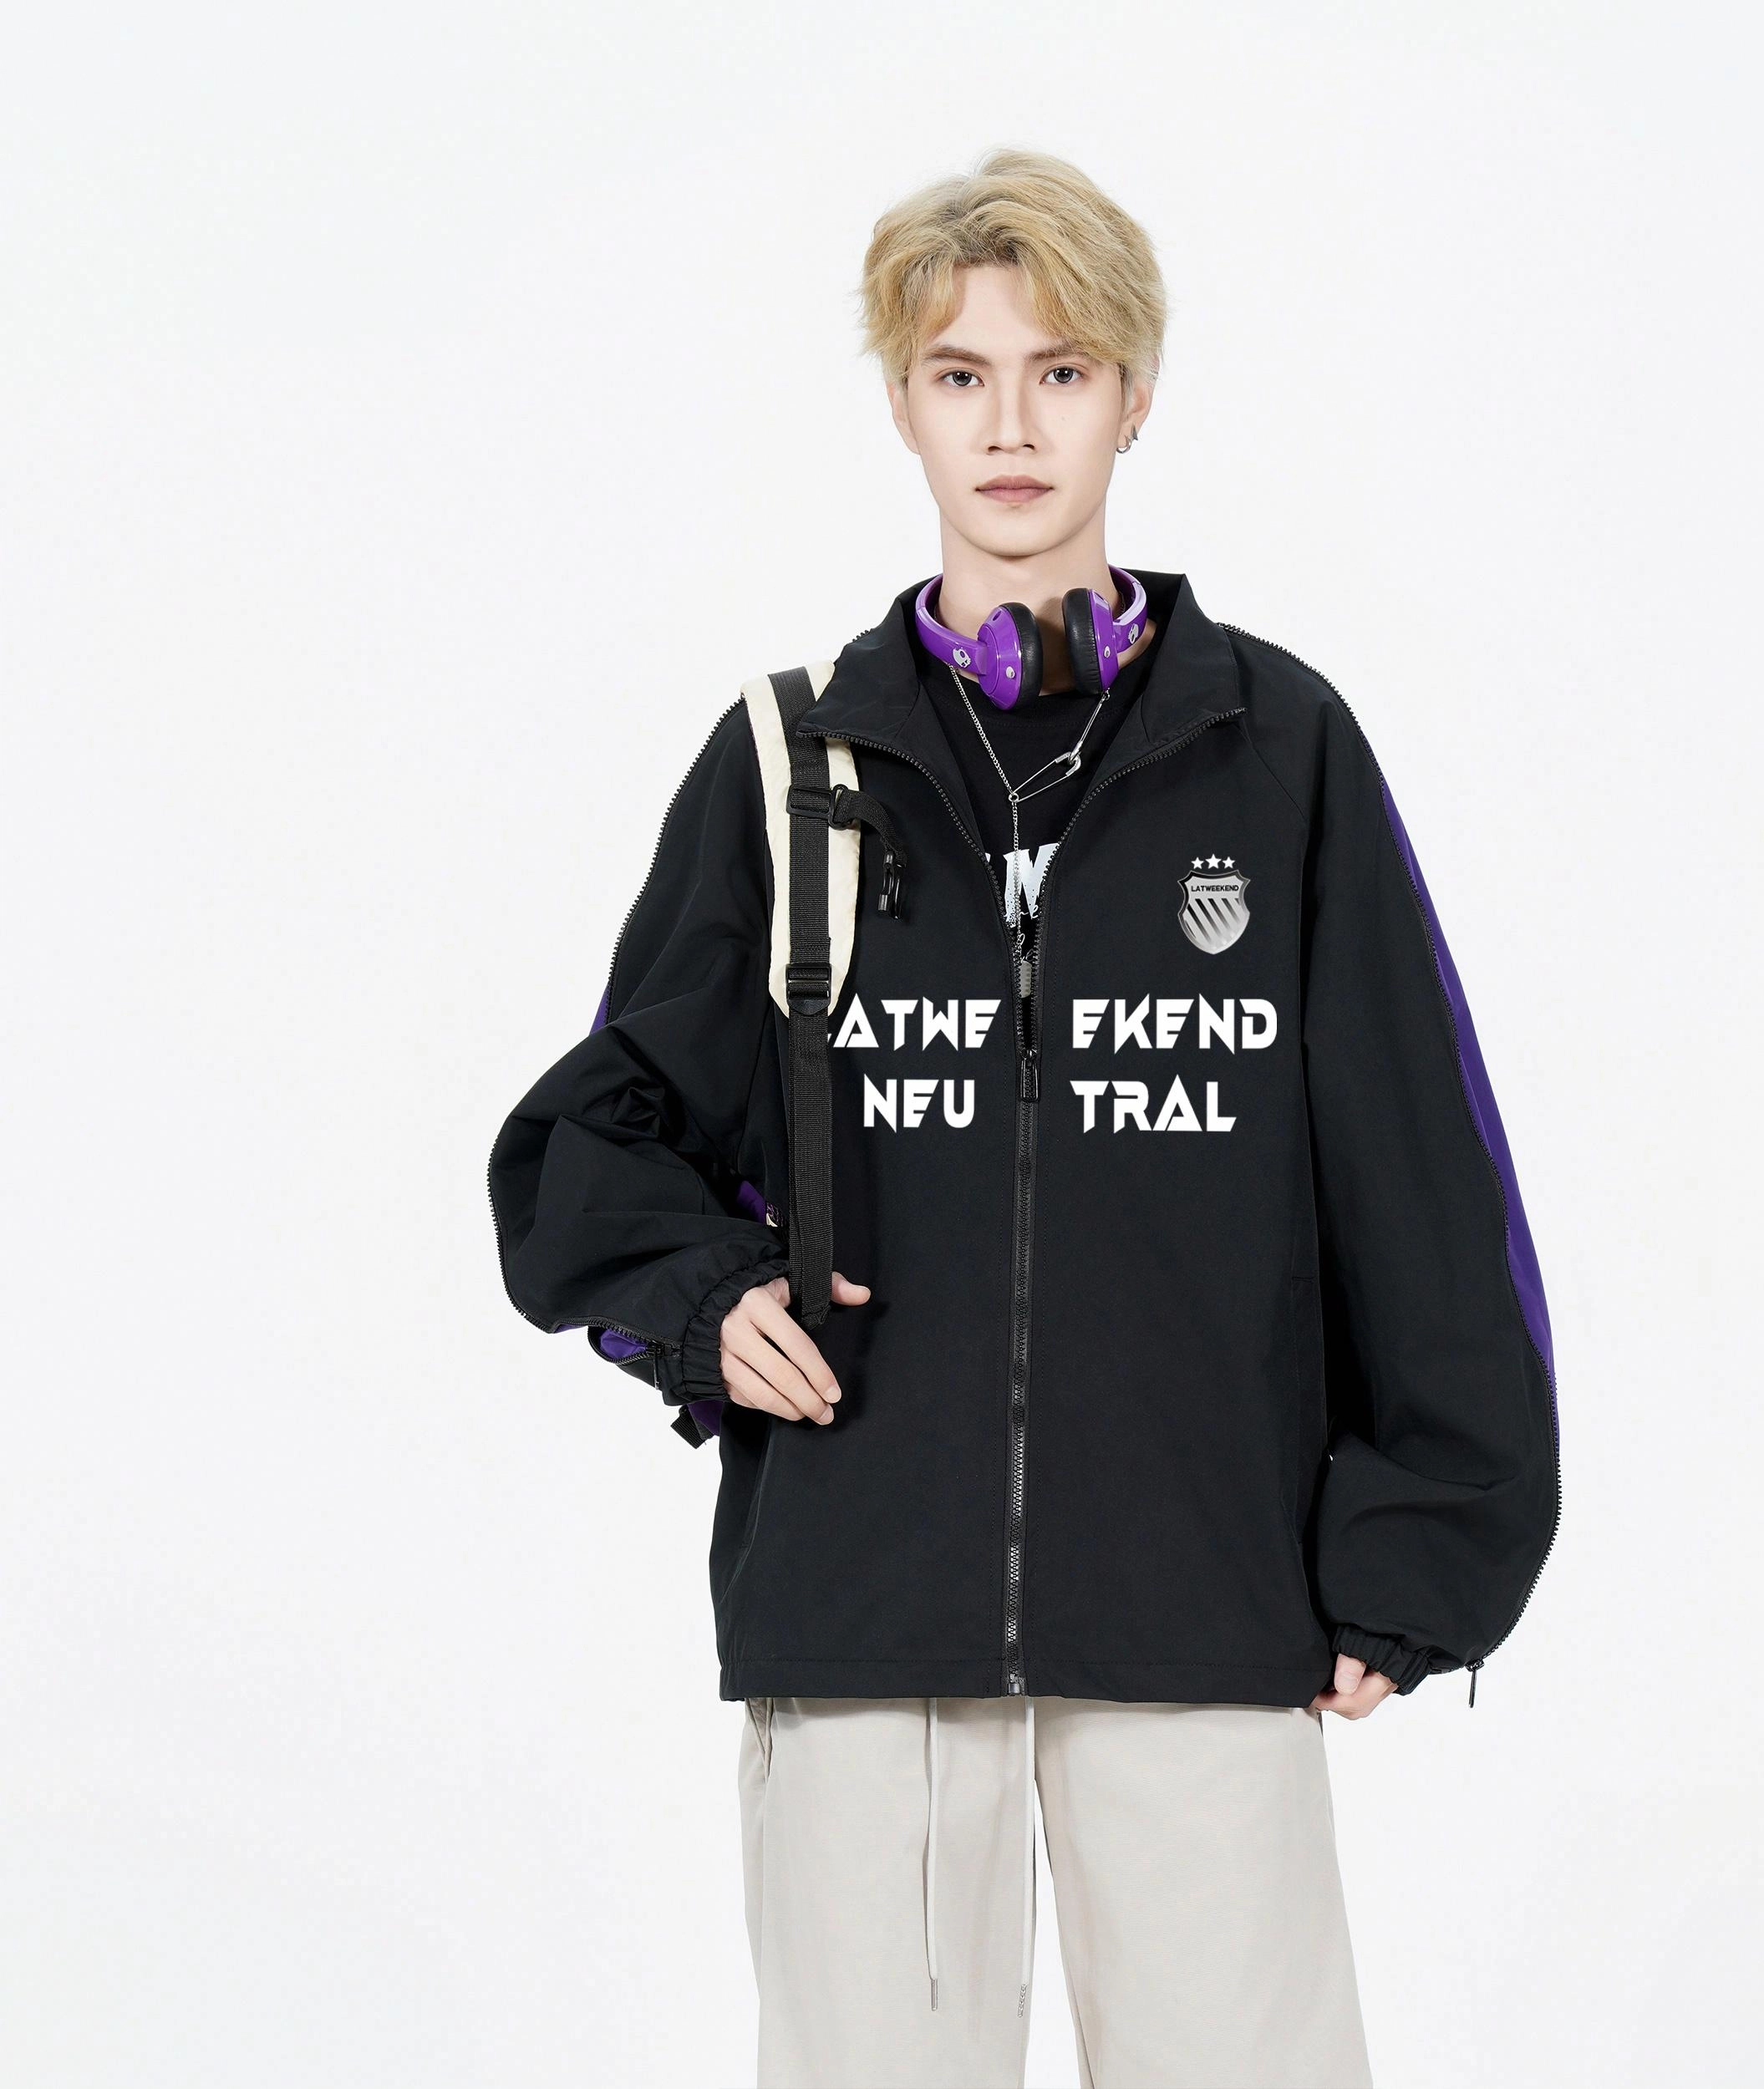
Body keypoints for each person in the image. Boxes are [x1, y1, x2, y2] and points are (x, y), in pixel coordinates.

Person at [488, 147, 1558, 2089]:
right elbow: (592, 1133)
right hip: (862, 1605)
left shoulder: (1276, 751)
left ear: (1132, 397)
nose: (1008, 424)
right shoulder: (791, 767)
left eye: (1058, 371)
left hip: (1202, 1592)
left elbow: (1416, 1165)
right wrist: (704, 1293)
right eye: (959, 374)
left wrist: (1419, 1547)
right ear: (902, 403)